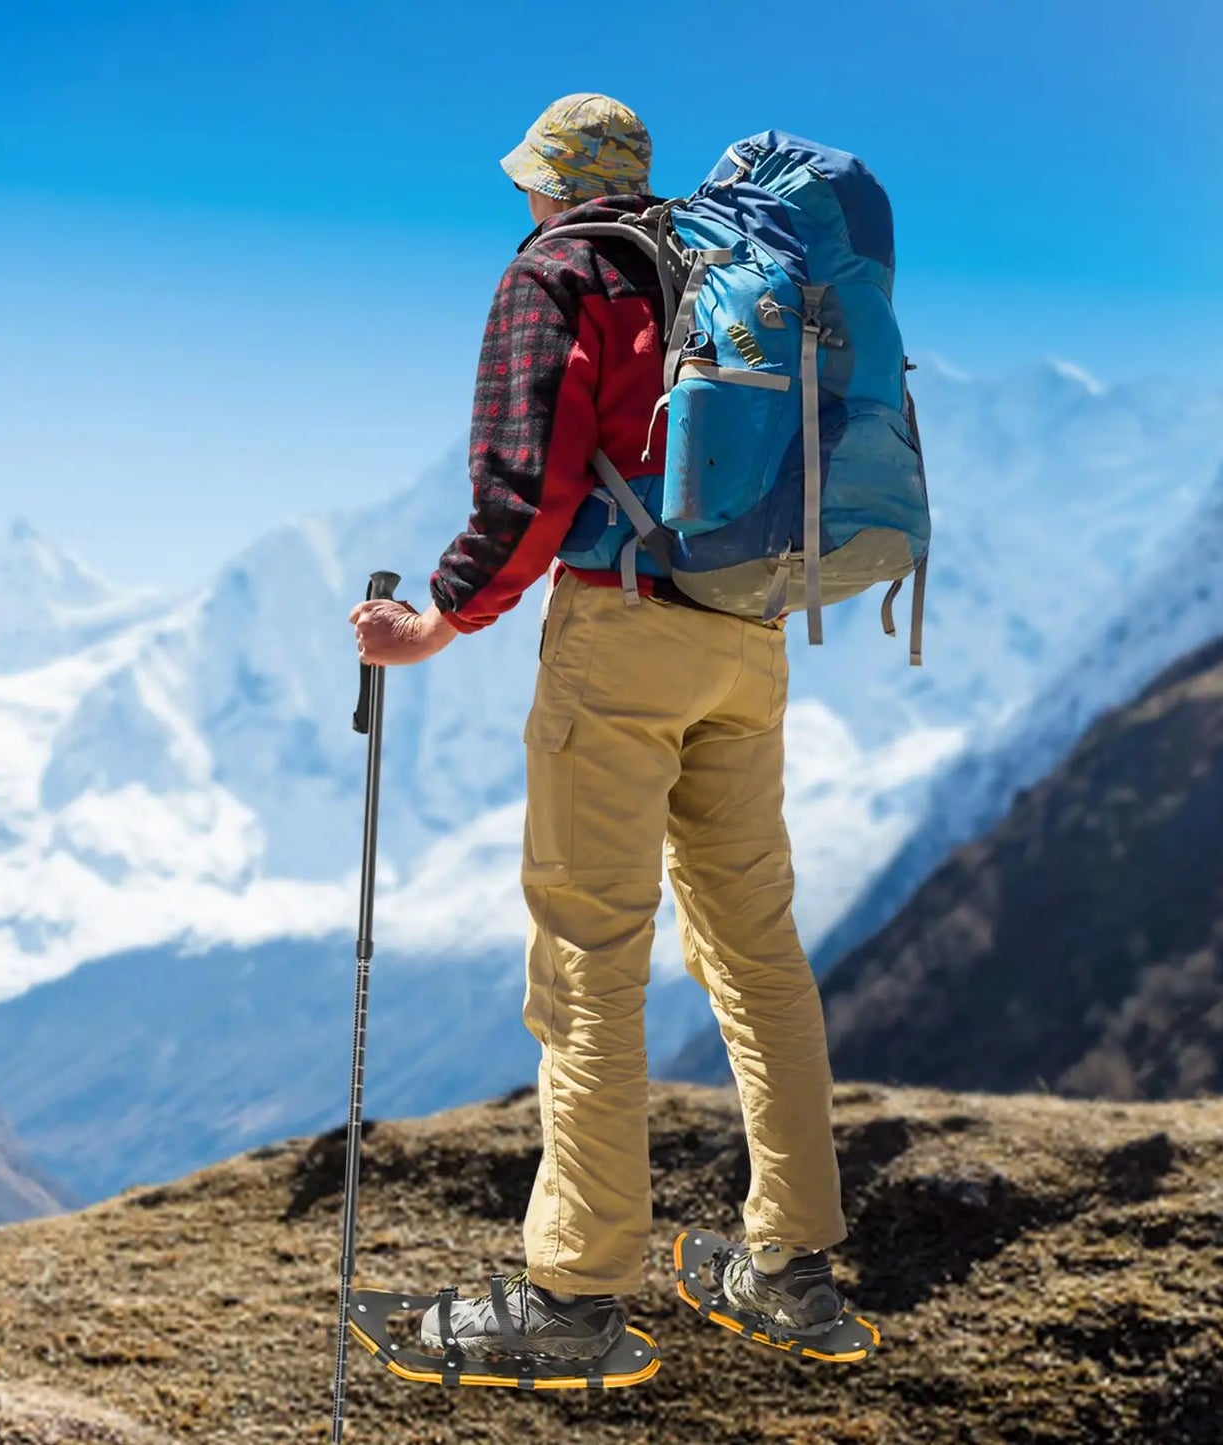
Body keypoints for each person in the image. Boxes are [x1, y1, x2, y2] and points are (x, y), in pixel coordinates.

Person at [348, 93, 847, 1363]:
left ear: (552, 184)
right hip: (747, 634)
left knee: (588, 959)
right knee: (753, 948)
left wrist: (439, 622)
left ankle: (572, 1298)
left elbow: (528, 480)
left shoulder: (558, 271)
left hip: (621, 634)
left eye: (528, 182)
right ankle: (792, 1268)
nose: (521, 201)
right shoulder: (718, 269)